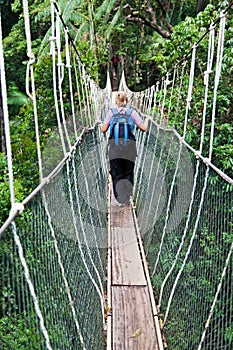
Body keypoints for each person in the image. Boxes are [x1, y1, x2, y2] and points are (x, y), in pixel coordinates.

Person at [101, 92, 149, 206]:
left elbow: (103, 129)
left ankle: (120, 199)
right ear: (127, 101)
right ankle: (127, 197)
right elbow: (143, 128)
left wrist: (100, 125)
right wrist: (147, 119)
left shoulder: (111, 113)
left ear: (116, 102)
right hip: (129, 148)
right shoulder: (132, 113)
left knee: (116, 172)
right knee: (128, 171)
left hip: (114, 149)